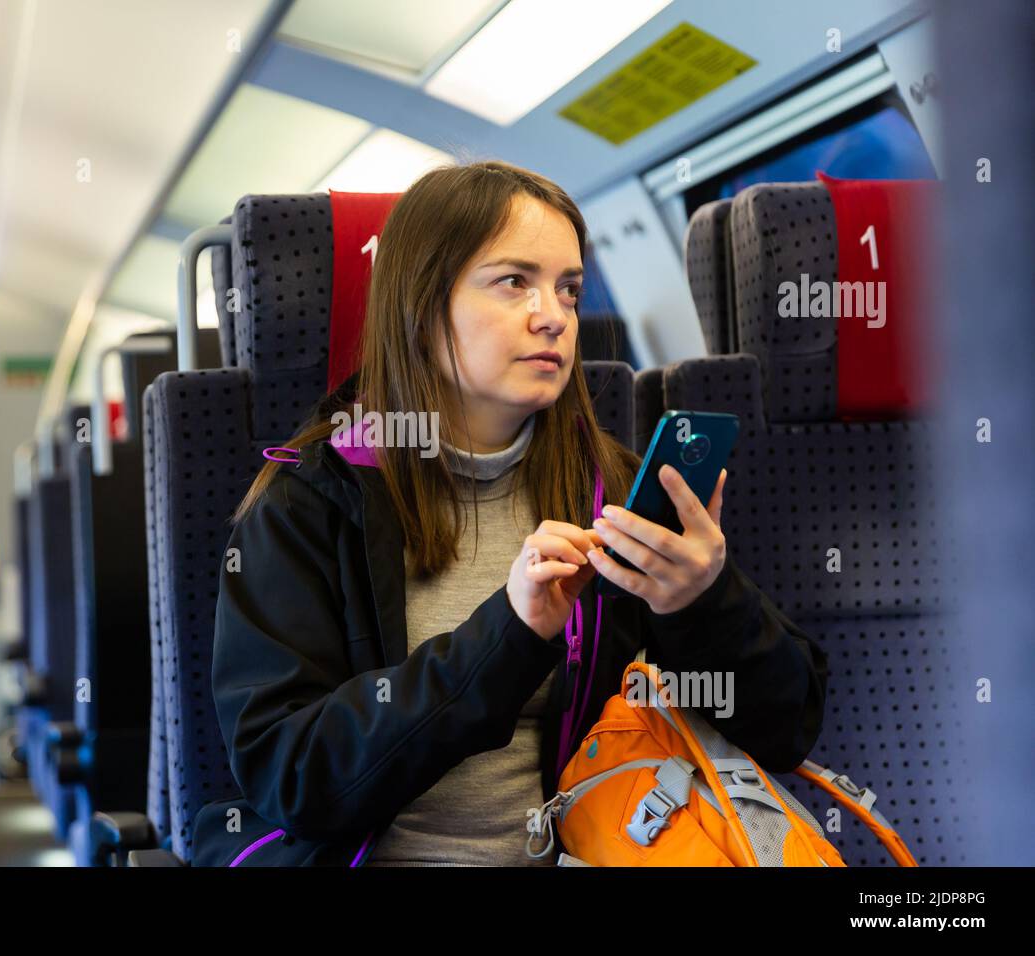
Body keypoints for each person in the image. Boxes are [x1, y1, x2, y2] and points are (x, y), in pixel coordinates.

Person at [195, 160, 828, 867]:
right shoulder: (310, 504)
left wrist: (706, 604)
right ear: (423, 304)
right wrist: (509, 635)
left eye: (568, 289)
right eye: (514, 282)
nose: (552, 314)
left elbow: (784, 730)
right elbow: (294, 777)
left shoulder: (611, 489)